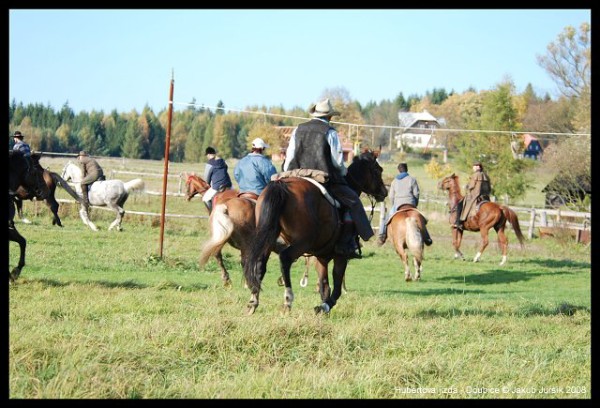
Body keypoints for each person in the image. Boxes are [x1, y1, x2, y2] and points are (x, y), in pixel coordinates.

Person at [283, 98, 372, 259]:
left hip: (295, 173)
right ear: (330, 117)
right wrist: (344, 173)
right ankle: (347, 242)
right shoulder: (330, 132)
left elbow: (289, 157)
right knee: (352, 200)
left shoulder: (298, 129)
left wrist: (287, 172)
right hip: (323, 176)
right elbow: (337, 162)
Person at [377, 163, 433, 246]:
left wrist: (394, 205)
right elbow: (416, 194)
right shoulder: (412, 180)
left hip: (398, 204)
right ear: (407, 170)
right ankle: (427, 238)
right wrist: (415, 203)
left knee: (386, 219)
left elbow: (391, 196)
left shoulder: (394, 181)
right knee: (422, 219)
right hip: (410, 203)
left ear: (399, 170)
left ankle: (382, 236)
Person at [454, 161, 492, 230]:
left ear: (478, 167)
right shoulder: (486, 175)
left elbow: (471, 186)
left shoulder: (475, 175)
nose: (473, 168)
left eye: (474, 166)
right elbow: (489, 187)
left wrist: (466, 187)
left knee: (460, 205)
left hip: (475, 196)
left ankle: (459, 222)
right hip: (485, 197)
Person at [12, 130, 44, 196]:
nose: (14, 139)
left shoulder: (16, 146)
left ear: (16, 138)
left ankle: (12, 190)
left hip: (22, 165)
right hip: (30, 164)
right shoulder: (26, 145)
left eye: (14, 138)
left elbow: (14, 159)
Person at [202, 146, 233, 213]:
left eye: (207, 155)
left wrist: (208, 183)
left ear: (209, 154)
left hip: (217, 187)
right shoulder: (223, 161)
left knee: (205, 199)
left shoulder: (209, 164)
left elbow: (206, 178)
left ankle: (212, 214)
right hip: (228, 184)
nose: (207, 157)